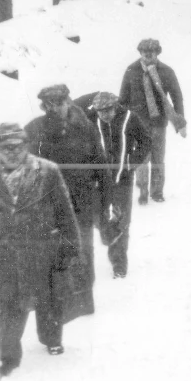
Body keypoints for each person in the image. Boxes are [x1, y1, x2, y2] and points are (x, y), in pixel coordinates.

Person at [0, 122, 81, 376]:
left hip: (43, 245)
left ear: (26, 145)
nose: (12, 152)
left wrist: (69, 245)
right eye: (5, 147)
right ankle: (9, 357)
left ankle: (52, 339)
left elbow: (64, 211)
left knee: (49, 298)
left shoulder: (47, 171)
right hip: (6, 250)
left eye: (18, 146)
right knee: (9, 303)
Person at [25, 83, 107, 317]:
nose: (56, 108)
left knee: (84, 249)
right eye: (50, 105)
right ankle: (60, 304)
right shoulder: (33, 130)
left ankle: (83, 302)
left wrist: (107, 199)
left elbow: (100, 164)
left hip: (82, 200)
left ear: (68, 101)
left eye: (60, 103)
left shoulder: (85, 127)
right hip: (49, 204)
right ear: (44, 106)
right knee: (55, 253)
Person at [72, 91, 152, 278]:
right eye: (101, 111)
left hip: (122, 179)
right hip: (98, 181)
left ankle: (119, 265)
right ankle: (102, 240)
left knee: (121, 219)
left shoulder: (130, 119)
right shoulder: (90, 120)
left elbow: (146, 141)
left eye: (108, 110)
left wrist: (133, 160)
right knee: (98, 219)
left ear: (115, 107)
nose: (105, 115)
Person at [118, 38, 186, 205]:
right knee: (141, 158)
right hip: (138, 124)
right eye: (144, 52)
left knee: (158, 157)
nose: (148, 55)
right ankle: (142, 191)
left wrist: (180, 120)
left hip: (158, 122)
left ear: (157, 53)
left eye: (152, 52)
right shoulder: (131, 71)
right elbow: (123, 99)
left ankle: (157, 192)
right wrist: (124, 122)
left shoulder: (167, 72)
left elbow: (177, 97)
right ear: (140, 53)